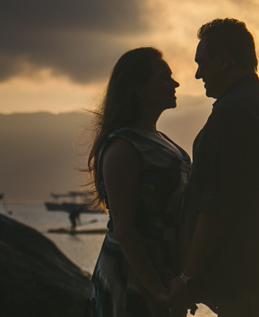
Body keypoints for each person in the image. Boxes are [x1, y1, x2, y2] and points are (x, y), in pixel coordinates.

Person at [169, 18, 259, 317]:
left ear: (223, 60)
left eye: (202, 62)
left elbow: (216, 205)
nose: (197, 74)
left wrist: (187, 278)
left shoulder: (232, 114)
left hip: (255, 294)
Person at [87, 47, 190, 317]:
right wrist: (155, 289)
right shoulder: (123, 145)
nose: (175, 83)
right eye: (164, 77)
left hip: (164, 271)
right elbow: (124, 228)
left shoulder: (166, 142)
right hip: (132, 275)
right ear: (139, 88)